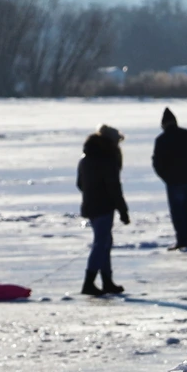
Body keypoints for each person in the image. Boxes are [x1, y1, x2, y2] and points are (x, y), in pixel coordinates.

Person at [77, 124, 130, 295]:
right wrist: (123, 210)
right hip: (104, 206)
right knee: (101, 244)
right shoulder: (107, 159)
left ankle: (107, 281)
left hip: (90, 205)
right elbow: (114, 187)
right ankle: (89, 282)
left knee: (105, 242)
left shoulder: (86, 158)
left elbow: (80, 184)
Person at [152, 107, 187, 249]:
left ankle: (182, 240)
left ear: (163, 124)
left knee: (177, 211)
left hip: (174, 180)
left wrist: (165, 176)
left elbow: (157, 162)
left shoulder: (161, 140)